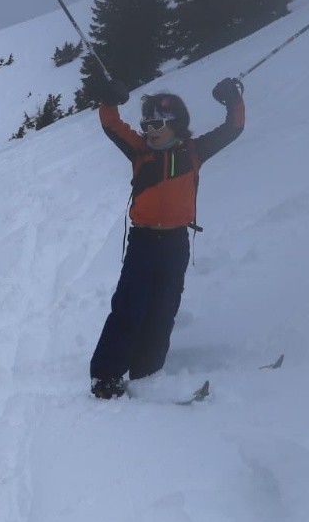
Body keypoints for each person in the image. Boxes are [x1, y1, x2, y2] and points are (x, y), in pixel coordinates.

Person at [89, 75, 246, 399]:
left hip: (176, 244)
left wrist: (233, 99)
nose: (149, 128)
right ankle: (106, 376)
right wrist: (109, 99)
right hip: (144, 242)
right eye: (146, 122)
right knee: (130, 306)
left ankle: (147, 371)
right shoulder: (138, 150)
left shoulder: (193, 152)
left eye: (157, 122)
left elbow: (233, 128)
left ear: (176, 123)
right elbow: (112, 124)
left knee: (163, 308)